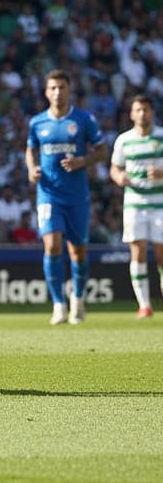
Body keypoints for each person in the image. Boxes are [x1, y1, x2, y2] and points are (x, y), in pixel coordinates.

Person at [25, 69, 107, 326]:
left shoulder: (84, 119)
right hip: (49, 195)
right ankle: (59, 304)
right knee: (52, 246)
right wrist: (31, 169)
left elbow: (102, 150)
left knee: (78, 252)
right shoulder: (37, 122)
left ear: (69, 90)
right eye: (53, 88)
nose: (58, 92)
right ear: (46, 92)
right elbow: (30, 149)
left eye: (62, 87)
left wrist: (84, 160)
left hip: (77, 197)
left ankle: (79, 300)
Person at [109, 94, 163, 319]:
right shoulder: (123, 140)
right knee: (137, 252)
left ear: (152, 112)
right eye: (138, 110)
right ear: (132, 114)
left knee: (162, 254)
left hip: (160, 203)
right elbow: (114, 168)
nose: (142, 114)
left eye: (146, 110)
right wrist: (119, 177)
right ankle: (144, 305)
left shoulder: (161, 136)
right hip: (134, 203)